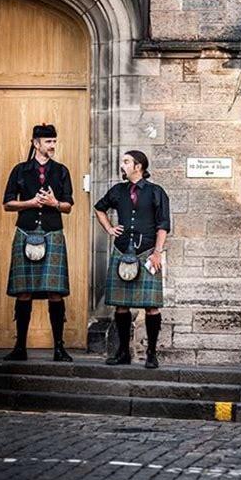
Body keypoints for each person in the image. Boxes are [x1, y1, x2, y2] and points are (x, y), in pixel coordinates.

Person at [2, 124, 74, 362]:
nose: (52, 146)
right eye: (48, 142)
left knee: (55, 292)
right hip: (25, 231)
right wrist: (31, 203)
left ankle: (59, 348)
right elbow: (7, 203)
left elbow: (68, 206)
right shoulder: (20, 170)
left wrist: (54, 203)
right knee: (24, 292)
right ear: (36, 143)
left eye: (54, 141)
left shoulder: (62, 171)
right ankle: (20, 347)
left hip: (52, 233)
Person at [94, 150, 170, 369]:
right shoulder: (118, 190)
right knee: (121, 305)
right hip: (122, 251)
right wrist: (109, 227)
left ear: (139, 166)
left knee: (152, 306)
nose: (122, 165)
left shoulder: (156, 192)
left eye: (126, 162)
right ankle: (122, 352)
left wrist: (157, 252)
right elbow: (99, 209)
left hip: (147, 252)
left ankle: (152, 354)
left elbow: (163, 225)